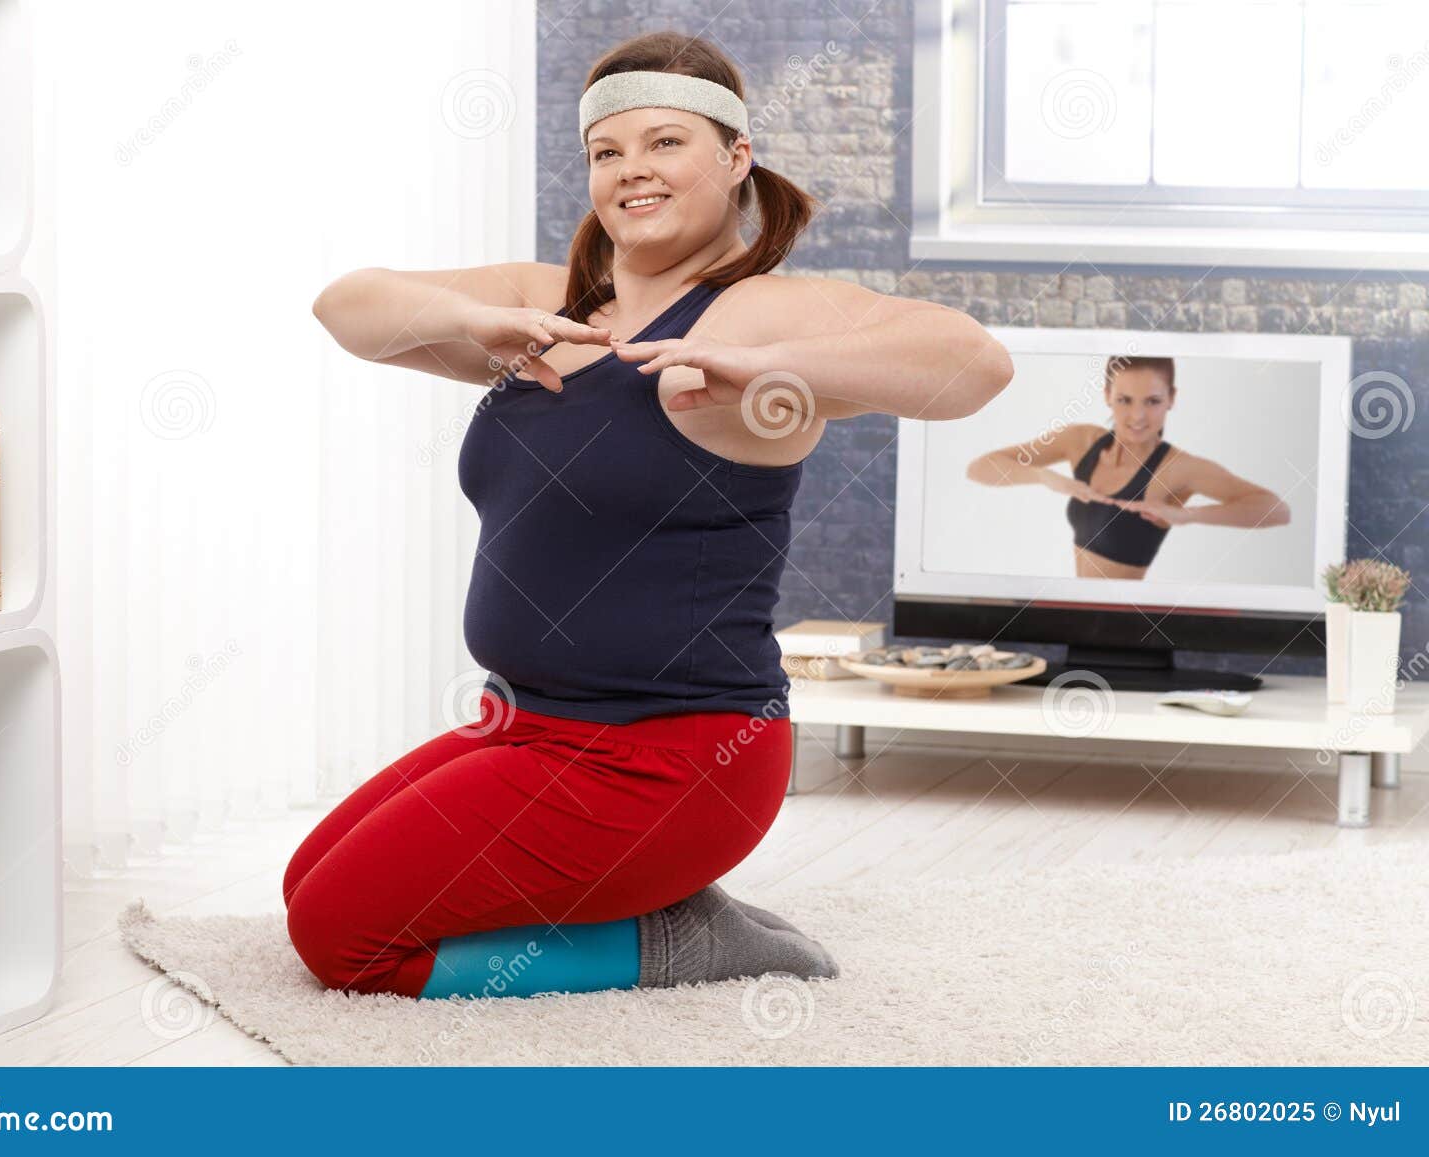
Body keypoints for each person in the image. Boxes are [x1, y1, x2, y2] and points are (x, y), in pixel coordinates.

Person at [289, 31, 1013, 1000]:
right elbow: (346, 306)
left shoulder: (752, 313)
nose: (632, 170)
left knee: (343, 939)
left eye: (665, 142)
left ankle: (683, 944)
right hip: (522, 723)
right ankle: (643, 904)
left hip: (670, 760)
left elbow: (971, 360)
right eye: (607, 150)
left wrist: (772, 369)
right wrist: (475, 325)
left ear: (734, 157)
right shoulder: (546, 305)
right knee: (307, 882)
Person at [965, 355, 1289, 580]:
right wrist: (1042, 476)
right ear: (1107, 396)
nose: (1137, 417)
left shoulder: (1178, 468)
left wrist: (1188, 516)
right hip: (1077, 612)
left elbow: (1276, 510)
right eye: (1125, 400)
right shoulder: (1080, 441)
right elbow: (980, 468)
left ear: (1171, 399)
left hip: (1126, 622)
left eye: (1152, 401)